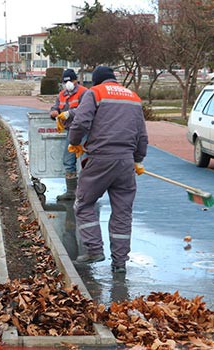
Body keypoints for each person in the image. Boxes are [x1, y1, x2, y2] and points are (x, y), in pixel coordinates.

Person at [66, 66, 148, 274]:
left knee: (84, 204)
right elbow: (142, 135)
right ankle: (120, 262)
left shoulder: (95, 93)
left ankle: (94, 250)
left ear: (97, 81)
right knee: (122, 212)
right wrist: (137, 159)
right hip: (126, 163)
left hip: (100, 159)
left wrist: (74, 142)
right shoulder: (133, 97)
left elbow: (81, 122)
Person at [49, 68, 88, 201]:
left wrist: (69, 113)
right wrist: (53, 113)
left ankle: (87, 192)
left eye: (70, 81)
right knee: (68, 160)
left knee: (85, 160)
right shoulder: (62, 94)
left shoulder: (84, 92)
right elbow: (55, 107)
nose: (68, 84)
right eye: (66, 82)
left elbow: (85, 110)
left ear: (76, 80)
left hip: (84, 131)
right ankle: (71, 192)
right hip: (70, 131)